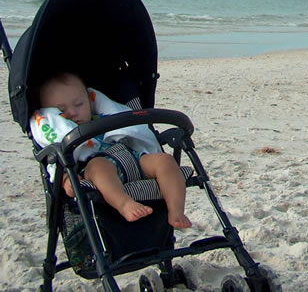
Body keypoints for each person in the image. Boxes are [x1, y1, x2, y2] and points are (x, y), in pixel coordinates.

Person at [35, 72, 191, 228]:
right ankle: (124, 204)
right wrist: (66, 181)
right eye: (62, 111)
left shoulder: (104, 118)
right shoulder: (61, 133)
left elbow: (131, 133)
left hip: (134, 158)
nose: (73, 112)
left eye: (79, 104)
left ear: (90, 101)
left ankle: (176, 210)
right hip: (96, 166)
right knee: (99, 167)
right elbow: (56, 165)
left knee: (165, 161)